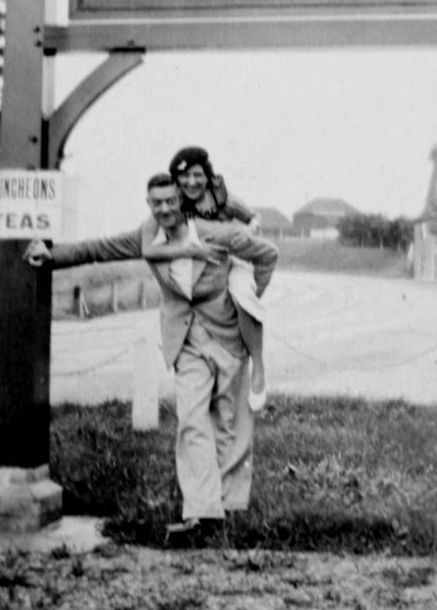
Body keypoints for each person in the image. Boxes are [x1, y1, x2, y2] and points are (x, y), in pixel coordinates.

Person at [24, 172, 278, 547]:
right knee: (191, 420)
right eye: (156, 203)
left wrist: (250, 295)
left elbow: (267, 254)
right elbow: (99, 249)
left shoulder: (217, 233)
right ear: (149, 204)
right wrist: (52, 255)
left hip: (226, 335)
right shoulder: (148, 237)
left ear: (183, 203)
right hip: (185, 339)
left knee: (228, 422)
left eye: (170, 202)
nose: (164, 209)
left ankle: (230, 505)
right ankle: (202, 513)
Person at [140, 146, 268, 411]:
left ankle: (258, 365)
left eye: (198, 175)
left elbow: (253, 218)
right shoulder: (172, 203)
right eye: (184, 177)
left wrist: (249, 229)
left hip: (232, 259)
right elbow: (148, 245)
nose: (192, 182)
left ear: (207, 176)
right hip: (202, 263)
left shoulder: (221, 197)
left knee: (242, 295)